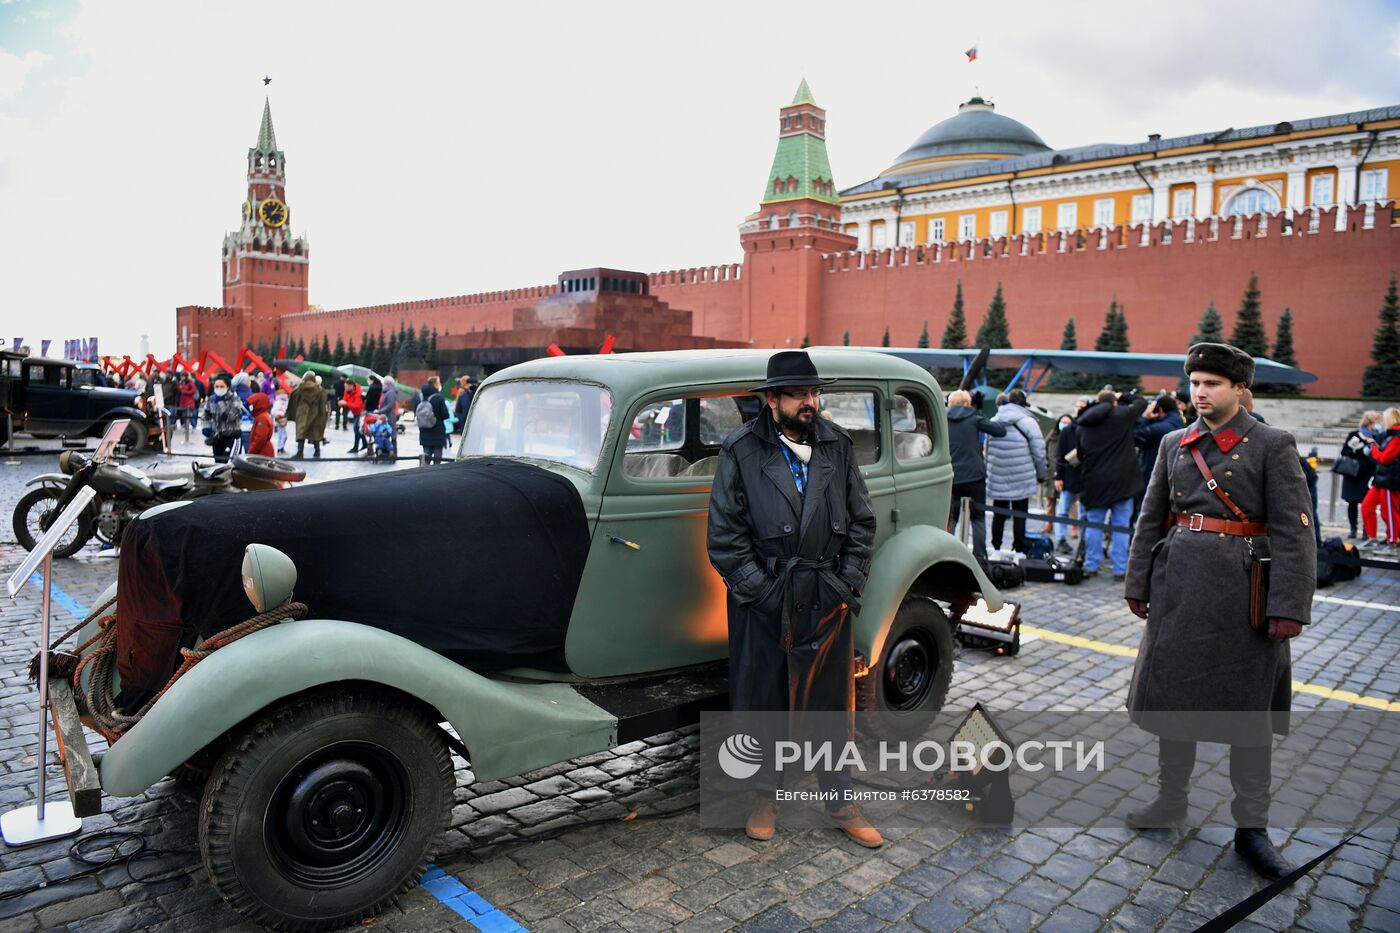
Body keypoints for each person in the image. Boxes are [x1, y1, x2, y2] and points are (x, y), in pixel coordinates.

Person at [1123, 342, 1315, 881]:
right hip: (1179, 589)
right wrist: (1139, 581)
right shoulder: (1172, 443)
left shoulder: (1272, 444)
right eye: (1195, 382)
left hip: (1246, 595)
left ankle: (1252, 829)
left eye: (1212, 383)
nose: (1200, 392)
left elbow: (1297, 533)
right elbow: (1151, 517)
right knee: (1174, 700)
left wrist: (1289, 606)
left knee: (1248, 715)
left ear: (1238, 390)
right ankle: (1170, 799)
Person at [706, 350, 881, 848]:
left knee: (832, 707)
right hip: (767, 601)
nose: (811, 402)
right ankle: (767, 796)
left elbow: (862, 521)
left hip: (825, 597)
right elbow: (725, 536)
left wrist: (844, 585)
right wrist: (763, 594)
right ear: (772, 399)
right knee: (766, 705)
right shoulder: (741, 450)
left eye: (813, 393)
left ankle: (839, 798)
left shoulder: (837, 445)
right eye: (799, 394)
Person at [1076, 388, 1150, 581]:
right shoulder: (1122, 415)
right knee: (1121, 525)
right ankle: (1119, 569)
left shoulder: (1083, 421)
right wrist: (1124, 395)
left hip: (1095, 481)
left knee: (1093, 524)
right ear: (1114, 402)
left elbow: (1080, 453)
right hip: (1123, 480)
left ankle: (1091, 565)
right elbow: (1142, 402)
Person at [944, 389, 1006, 563]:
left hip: (951, 474)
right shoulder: (974, 418)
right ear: (967, 404)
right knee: (978, 518)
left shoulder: (942, 418)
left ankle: (946, 554)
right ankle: (980, 556)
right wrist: (979, 413)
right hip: (974, 474)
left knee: (952, 518)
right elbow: (1000, 431)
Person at [985, 389, 1046, 554]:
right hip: (1022, 475)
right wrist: (1041, 475)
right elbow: (1039, 452)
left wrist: (990, 471)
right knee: (1020, 513)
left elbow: (987, 450)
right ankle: (1018, 550)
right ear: (1023, 403)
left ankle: (996, 548)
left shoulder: (994, 419)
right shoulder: (1028, 421)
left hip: (998, 474)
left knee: (999, 512)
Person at [1052, 398, 1090, 554]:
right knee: (1062, 510)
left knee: (1083, 513)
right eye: (1078, 406)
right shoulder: (1068, 430)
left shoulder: (1089, 429)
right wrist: (1058, 476)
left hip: (1085, 477)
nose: (1079, 409)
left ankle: (1083, 541)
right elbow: (1060, 454)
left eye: (1082, 407)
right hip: (1069, 475)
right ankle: (1060, 538)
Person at [1364, 408, 1400, 554]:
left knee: (1389, 512)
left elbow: (1385, 458)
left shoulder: (1397, 437)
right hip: (1382, 478)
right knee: (1367, 506)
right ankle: (1373, 538)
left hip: (1390, 479)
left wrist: (1374, 449)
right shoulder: (1390, 435)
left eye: (1385, 419)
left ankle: (1393, 542)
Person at [1342, 411, 1381, 543]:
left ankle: (1366, 531)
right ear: (1370, 422)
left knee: (1368, 504)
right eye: (1376, 421)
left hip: (1368, 474)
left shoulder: (1378, 437)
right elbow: (1344, 451)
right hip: (1353, 473)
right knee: (1352, 502)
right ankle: (1353, 529)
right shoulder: (1354, 434)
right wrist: (1357, 449)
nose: (1378, 424)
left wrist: (1371, 450)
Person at [201, 374, 242, 463]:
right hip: (216, 437)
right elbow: (205, 414)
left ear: (227, 387)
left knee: (228, 463)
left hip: (231, 436)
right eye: (217, 386)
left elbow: (231, 416)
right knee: (218, 462)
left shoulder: (235, 399)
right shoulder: (211, 399)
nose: (219, 389)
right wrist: (206, 427)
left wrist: (220, 402)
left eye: (221, 386)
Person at [287, 373, 328, 459]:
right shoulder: (320, 390)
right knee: (315, 432)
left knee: (301, 433)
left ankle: (300, 452)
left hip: (302, 413)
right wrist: (323, 415)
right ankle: (317, 451)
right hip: (315, 413)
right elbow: (322, 403)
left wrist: (292, 413)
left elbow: (294, 399)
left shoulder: (300, 389)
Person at [417, 377, 452, 465]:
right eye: (439, 382)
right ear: (435, 384)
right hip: (438, 432)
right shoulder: (439, 398)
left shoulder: (419, 397)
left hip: (424, 431)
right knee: (437, 459)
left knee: (425, 458)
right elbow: (445, 415)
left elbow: (416, 411)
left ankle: (423, 475)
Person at [247, 392, 275, 457]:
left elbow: (260, 438)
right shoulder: (263, 415)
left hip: (262, 452)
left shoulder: (262, 418)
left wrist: (251, 452)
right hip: (263, 450)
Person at [361, 376, 384, 457]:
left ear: (372, 380)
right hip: (377, 410)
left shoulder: (373, 387)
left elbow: (369, 398)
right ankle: (376, 448)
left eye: (368, 380)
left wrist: (363, 398)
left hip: (370, 410)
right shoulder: (380, 387)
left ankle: (370, 448)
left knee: (367, 429)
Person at [343, 379, 366, 453]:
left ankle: (356, 447)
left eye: (346, 387)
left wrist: (346, 403)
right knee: (358, 429)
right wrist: (343, 402)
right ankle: (364, 443)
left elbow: (357, 405)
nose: (345, 388)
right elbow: (345, 399)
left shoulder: (359, 393)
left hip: (360, 412)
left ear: (351, 386)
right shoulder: (347, 391)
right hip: (355, 412)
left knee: (356, 429)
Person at [175, 373, 199, 443]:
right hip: (183, 402)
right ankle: (186, 428)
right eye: (181, 376)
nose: (182, 377)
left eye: (183, 376)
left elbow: (193, 390)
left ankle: (193, 427)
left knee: (190, 415)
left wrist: (185, 392)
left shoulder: (190, 383)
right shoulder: (181, 382)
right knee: (184, 416)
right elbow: (179, 389)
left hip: (189, 402)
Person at [271, 388, 290, 454]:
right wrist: (280, 414)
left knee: (282, 435)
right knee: (283, 435)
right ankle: (280, 448)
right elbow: (273, 411)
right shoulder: (279, 402)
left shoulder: (282, 402)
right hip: (279, 420)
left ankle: (281, 448)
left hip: (281, 420)